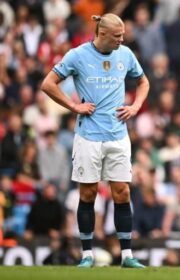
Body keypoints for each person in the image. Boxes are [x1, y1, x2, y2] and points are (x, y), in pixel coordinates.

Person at [40, 13, 150, 268]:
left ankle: (126, 256)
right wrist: (73, 106)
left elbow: (143, 82)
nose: (122, 40)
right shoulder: (77, 55)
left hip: (118, 135)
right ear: (102, 34)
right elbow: (48, 83)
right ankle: (87, 254)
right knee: (88, 194)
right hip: (88, 136)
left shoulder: (125, 54)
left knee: (122, 192)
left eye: (122, 35)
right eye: (117, 36)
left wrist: (135, 106)